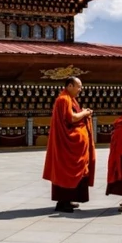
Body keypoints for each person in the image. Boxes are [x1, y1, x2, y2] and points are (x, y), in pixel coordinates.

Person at [43, 76, 96, 213]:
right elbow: (71, 118)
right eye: (78, 86)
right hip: (66, 144)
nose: (80, 89)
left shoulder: (69, 99)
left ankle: (67, 200)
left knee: (69, 171)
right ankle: (63, 202)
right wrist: (85, 113)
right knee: (66, 171)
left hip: (71, 145)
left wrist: (83, 113)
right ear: (70, 86)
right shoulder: (63, 99)